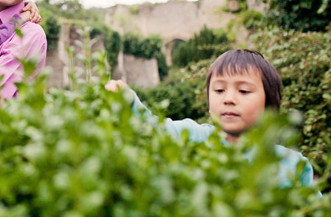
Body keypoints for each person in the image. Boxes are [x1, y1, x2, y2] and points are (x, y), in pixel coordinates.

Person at [106, 49, 314, 188]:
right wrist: (128, 100)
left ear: (269, 104)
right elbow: (150, 129)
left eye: (243, 91)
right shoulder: (190, 136)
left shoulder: (291, 164)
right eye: (219, 89)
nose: (229, 99)